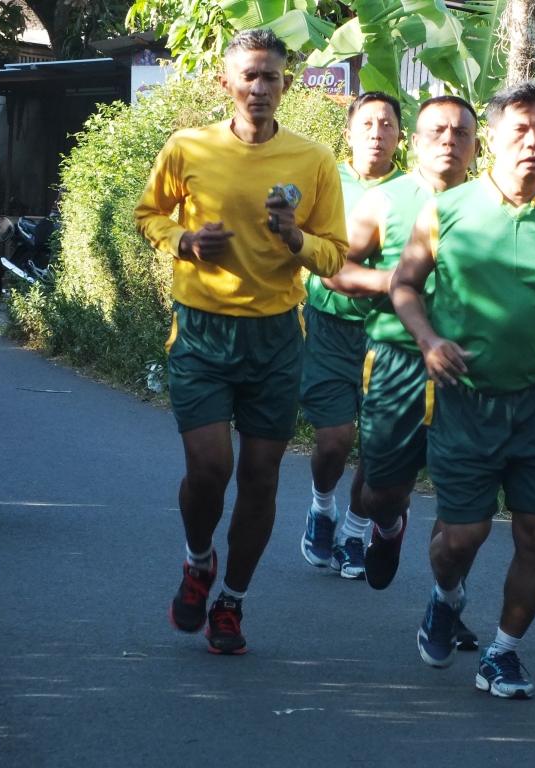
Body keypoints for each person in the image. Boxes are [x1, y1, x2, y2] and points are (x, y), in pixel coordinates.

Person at [390, 81, 535, 699]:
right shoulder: (448, 209)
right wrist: (430, 341)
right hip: (466, 397)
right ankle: (445, 596)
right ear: (493, 140)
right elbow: (404, 287)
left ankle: (504, 652)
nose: (533, 143)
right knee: (464, 536)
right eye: (519, 130)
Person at [134, 29, 348, 655]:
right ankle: (199, 561)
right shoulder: (188, 147)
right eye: (249, 76)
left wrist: (296, 243)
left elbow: (333, 254)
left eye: (270, 78)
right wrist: (184, 242)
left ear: (286, 85)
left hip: (277, 338)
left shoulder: (312, 161)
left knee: (259, 477)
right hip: (201, 328)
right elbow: (149, 213)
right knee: (209, 468)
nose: (259, 88)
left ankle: (231, 603)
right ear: (225, 82)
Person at [321, 94, 481, 649]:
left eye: (461, 133)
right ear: (414, 141)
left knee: (463, 500)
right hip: (397, 361)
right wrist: (397, 281)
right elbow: (335, 269)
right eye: (436, 130)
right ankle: (387, 526)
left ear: (476, 145)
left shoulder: (493, 204)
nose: (448, 141)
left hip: (468, 368)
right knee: (380, 493)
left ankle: (447, 602)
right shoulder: (386, 200)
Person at [300, 92, 403, 580]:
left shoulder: (414, 191)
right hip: (329, 326)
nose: (377, 132)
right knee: (335, 440)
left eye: (387, 124)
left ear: (400, 136)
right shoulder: (324, 179)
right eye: (367, 123)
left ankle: (356, 531)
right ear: (349, 132)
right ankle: (323, 507)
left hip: (390, 331)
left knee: (379, 445)